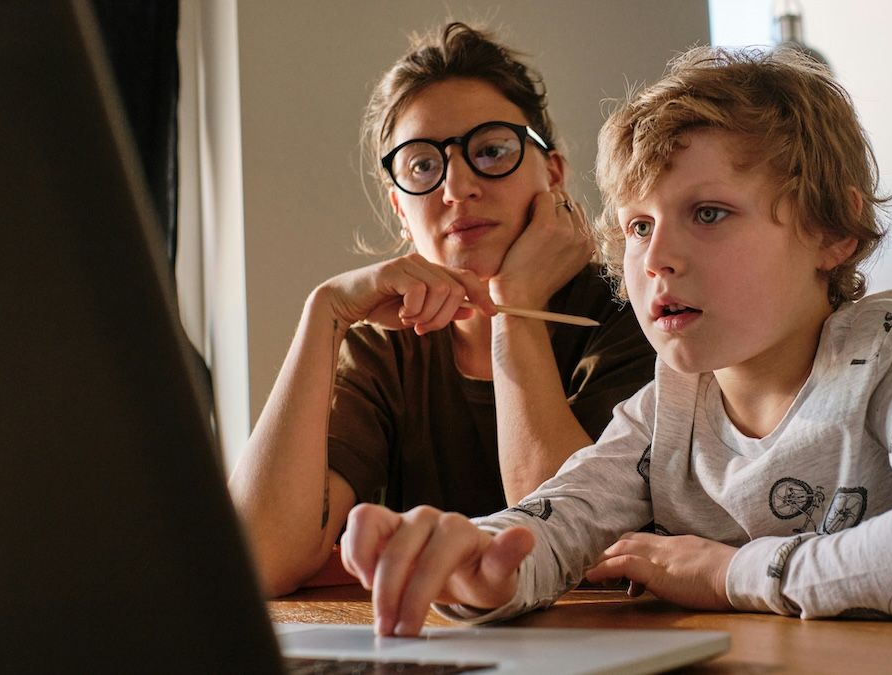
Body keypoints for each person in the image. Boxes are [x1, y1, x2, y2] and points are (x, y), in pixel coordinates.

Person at [338, 46, 892, 636]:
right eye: (639, 226)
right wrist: (480, 561)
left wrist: (727, 571)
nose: (656, 258)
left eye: (708, 212)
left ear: (833, 231)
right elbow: (555, 521)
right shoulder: (666, 409)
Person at [228, 22, 656, 598]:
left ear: (553, 172)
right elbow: (256, 561)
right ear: (399, 208)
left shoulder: (633, 309)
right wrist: (324, 313)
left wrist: (515, 306)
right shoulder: (385, 345)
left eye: (492, 150)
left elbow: (569, 542)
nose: (457, 187)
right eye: (422, 166)